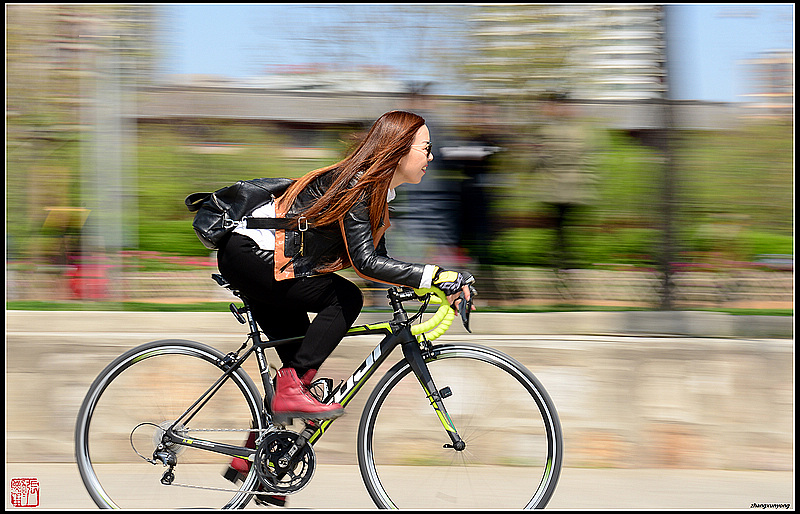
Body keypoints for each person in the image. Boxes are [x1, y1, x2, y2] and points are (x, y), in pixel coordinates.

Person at [218, 110, 474, 505]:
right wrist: (437, 276)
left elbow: (381, 266)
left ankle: (255, 464)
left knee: (300, 371)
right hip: (252, 255)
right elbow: (365, 263)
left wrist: (434, 286)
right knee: (344, 299)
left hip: (271, 263)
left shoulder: (376, 192)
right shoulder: (359, 185)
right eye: (426, 148)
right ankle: (284, 402)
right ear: (399, 150)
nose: (431, 157)